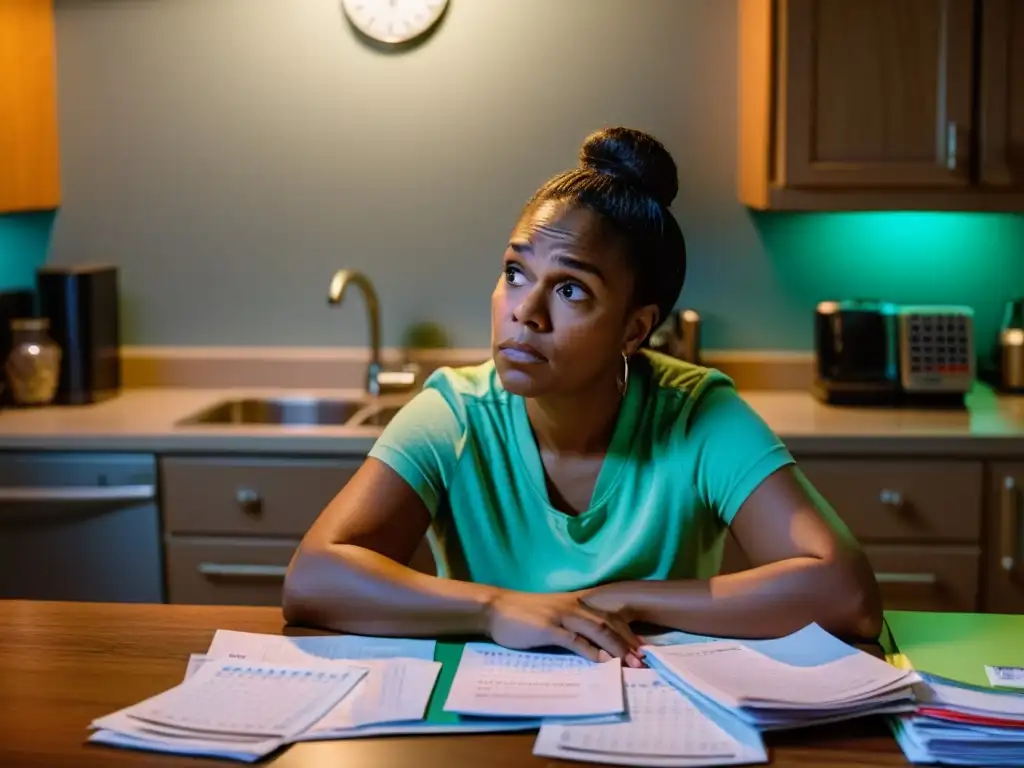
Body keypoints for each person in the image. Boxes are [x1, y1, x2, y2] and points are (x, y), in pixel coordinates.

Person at [283, 126, 883, 669]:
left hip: (658, 715)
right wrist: (495, 608)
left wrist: (613, 599)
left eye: (570, 289)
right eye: (516, 273)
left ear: (634, 328)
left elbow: (847, 595)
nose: (525, 311)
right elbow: (313, 578)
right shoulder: (455, 411)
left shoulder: (696, 413)